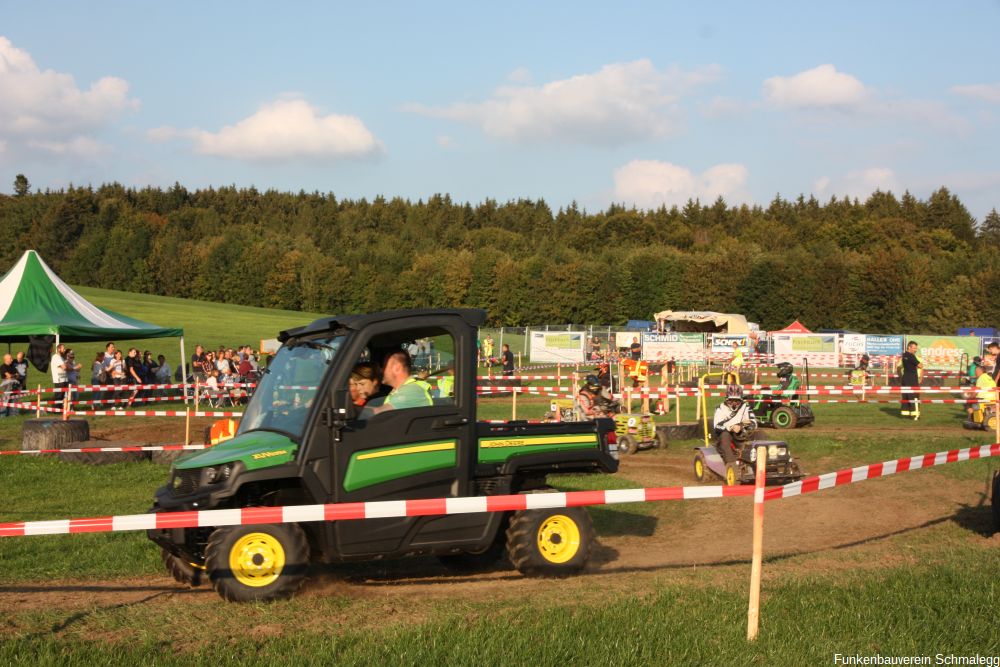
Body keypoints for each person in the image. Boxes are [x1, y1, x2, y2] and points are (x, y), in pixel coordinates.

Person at [363, 351, 432, 417]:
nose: (381, 370)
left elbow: (378, 413)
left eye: (384, 366)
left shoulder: (411, 391)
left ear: (397, 368)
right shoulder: (400, 389)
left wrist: (354, 408)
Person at [713, 384, 757, 464]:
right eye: (731, 400)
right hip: (727, 436)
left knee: (759, 434)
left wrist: (741, 426)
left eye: (736, 401)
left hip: (742, 435)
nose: (734, 403)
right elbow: (717, 426)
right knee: (725, 436)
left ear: (741, 400)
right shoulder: (720, 408)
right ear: (726, 399)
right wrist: (731, 427)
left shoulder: (746, 407)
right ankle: (731, 464)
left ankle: (765, 460)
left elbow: (753, 422)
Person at [899, 341, 922, 420]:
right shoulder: (911, 356)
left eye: (916, 348)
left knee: (905, 396)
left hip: (905, 378)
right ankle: (915, 414)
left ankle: (905, 414)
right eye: (914, 348)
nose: (915, 350)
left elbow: (900, 367)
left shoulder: (904, 355)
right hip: (912, 378)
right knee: (914, 396)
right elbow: (920, 365)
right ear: (909, 347)